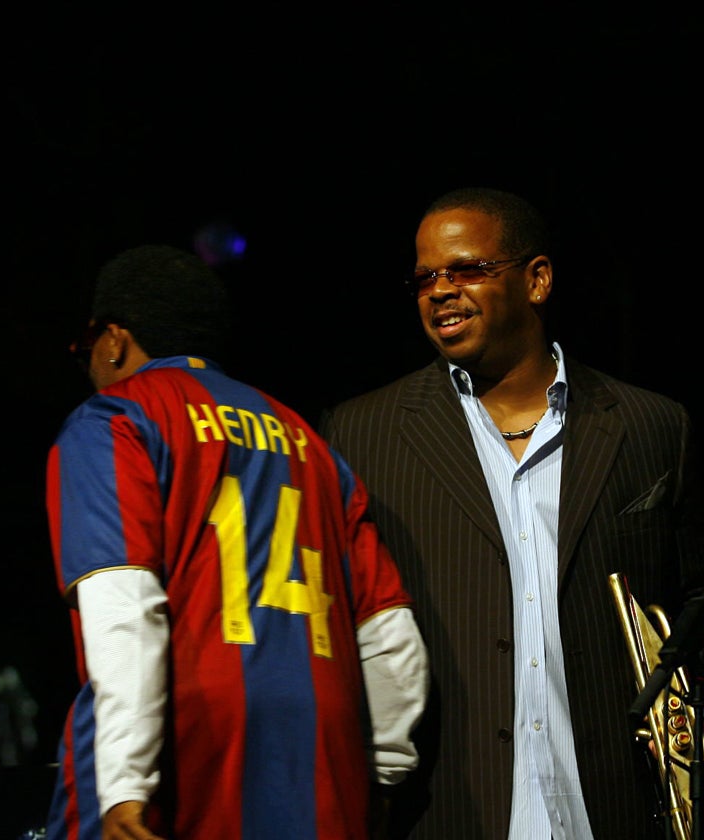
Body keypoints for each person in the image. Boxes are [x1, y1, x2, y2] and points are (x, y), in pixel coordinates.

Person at [319, 187, 704, 838]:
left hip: (617, 811)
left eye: (466, 270)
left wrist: (689, 736)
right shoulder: (364, 435)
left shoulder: (648, 425)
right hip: (448, 812)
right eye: (426, 276)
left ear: (537, 280)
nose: (440, 290)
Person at [45, 244, 429, 840]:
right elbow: (389, 632)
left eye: (84, 349)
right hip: (324, 757)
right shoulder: (311, 443)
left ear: (114, 340)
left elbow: (125, 608)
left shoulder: (113, 419)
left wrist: (123, 783)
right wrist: (380, 771)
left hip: (189, 749)